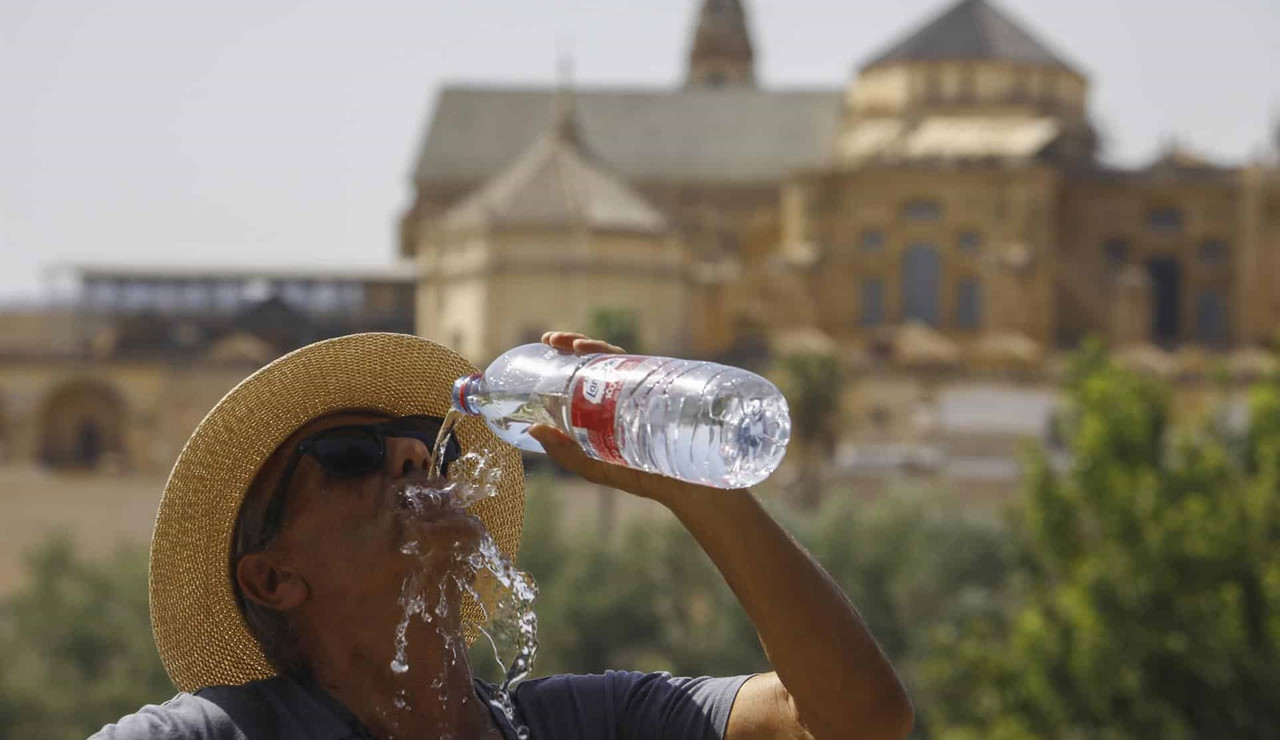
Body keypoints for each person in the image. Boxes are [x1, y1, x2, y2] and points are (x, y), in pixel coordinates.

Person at [92, 331, 912, 740]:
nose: (414, 454)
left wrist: (697, 491)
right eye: (345, 457)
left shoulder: (580, 723)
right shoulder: (224, 733)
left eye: (422, 438)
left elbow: (853, 721)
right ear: (272, 580)